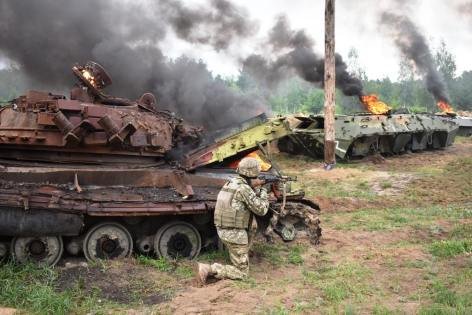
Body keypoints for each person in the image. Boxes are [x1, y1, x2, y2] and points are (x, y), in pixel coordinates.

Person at [196, 157, 270, 284]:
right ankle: (209, 269)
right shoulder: (244, 188)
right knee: (242, 273)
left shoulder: (231, 182)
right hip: (234, 233)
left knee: (253, 225)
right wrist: (263, 190)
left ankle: (243, 254)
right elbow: (262, 210)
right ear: (252, 173)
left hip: (225, 229)